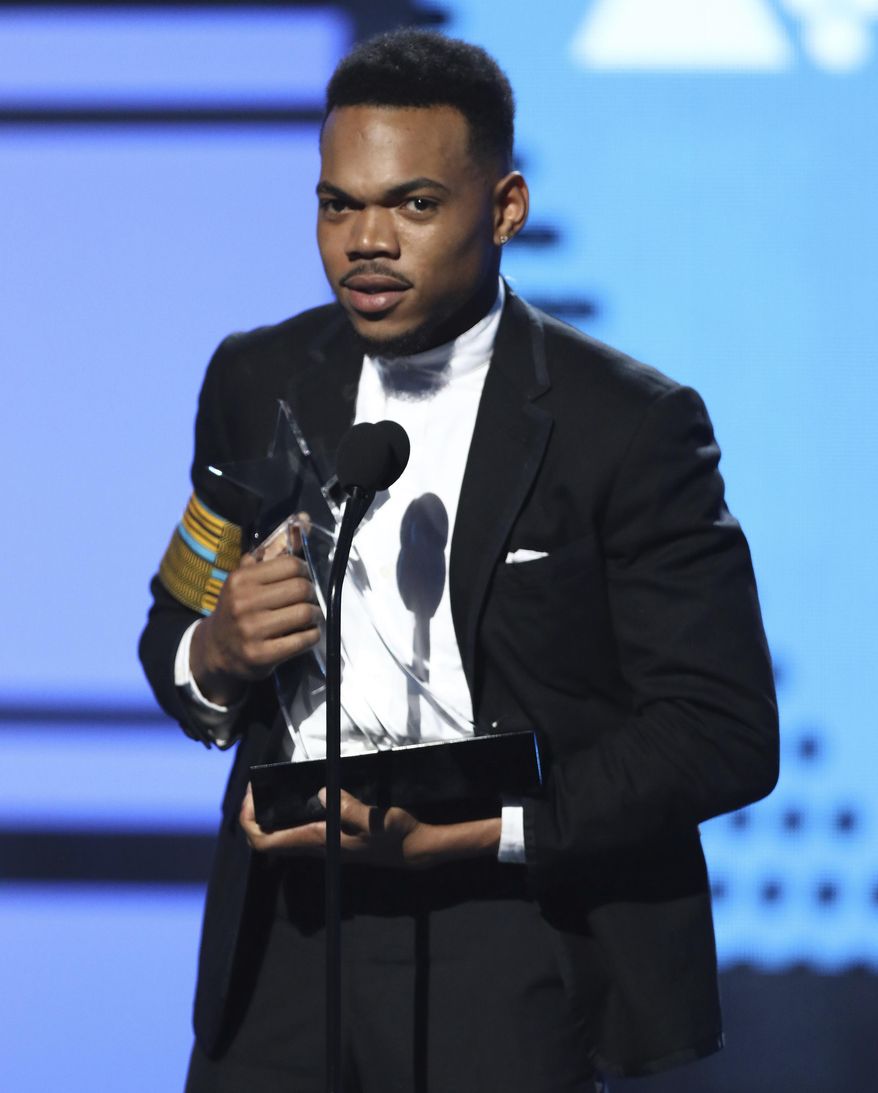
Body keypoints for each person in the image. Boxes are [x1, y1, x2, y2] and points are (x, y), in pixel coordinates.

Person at [139, 28, 779, 1093]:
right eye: (337, 204)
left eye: (414, 204)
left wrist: (476, 833)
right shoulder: (256, 379)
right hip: (281, 938)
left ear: (505, 209)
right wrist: (216, 650)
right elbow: (172, 630)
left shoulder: (624, 425)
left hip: (507, 933)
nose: (365, 241)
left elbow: (718, 731)